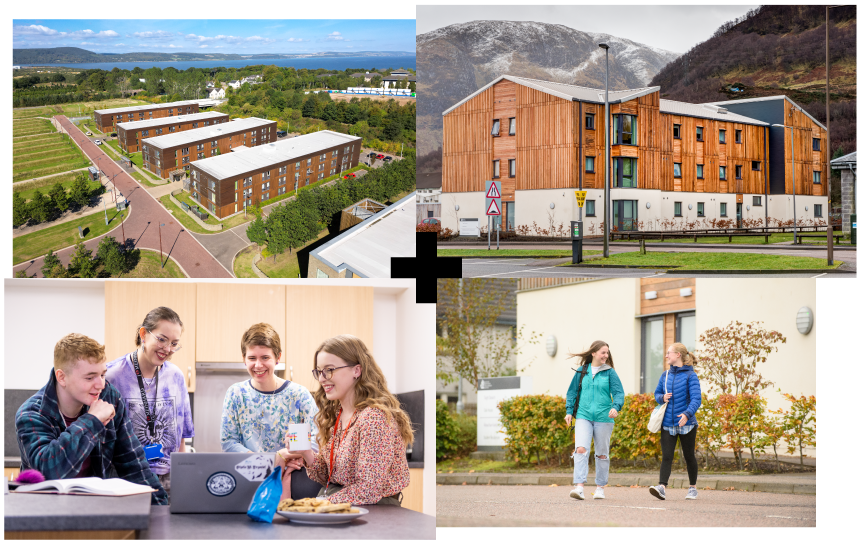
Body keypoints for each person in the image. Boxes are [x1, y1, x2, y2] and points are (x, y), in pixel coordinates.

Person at [16, 333, 168, 505]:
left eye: (102, 375)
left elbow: (133, 464)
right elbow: (51, 471)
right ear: (62, 377)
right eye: (90, 377)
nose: (100, 384)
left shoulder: (109, 397)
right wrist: (92, 420)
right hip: (44, 513)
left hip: (93, 509)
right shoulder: (31, 414)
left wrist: (162, 509)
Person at [277, 334, 413, 506]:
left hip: (374, 512)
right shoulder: (339, 415)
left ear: (357, 370)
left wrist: (317, 505)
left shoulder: (374, 418)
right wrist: (306, 453)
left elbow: (368, 490)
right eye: (319, 371)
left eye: (329, 369)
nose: (321, 378)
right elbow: (328, 476)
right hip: (346, 505)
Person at [104, 306, 194, 503]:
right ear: (143, 334)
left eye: (174, 343)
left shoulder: (176, 376)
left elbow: (181, 438)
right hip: (126, 478)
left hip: (169, 479)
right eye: (161, 339)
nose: (167, 349)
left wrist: (184, 478)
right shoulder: (112, 376)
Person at [220, 323, 319, 500]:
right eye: (252, 358)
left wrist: (286, 456)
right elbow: (229, 443)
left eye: (265, 357)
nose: (258, 365)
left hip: (295, 484)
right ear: (244, 358)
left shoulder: (299, 395)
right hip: (249, 481)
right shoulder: (235, 394)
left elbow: (316, 442)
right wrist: (272, 460)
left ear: (278, 357)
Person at [564, 340, 625, 500]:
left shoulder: (610, 372)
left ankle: (600, 488)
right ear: (594, 353)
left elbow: (619, 393)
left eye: (607, 353)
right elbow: (571, 393)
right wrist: (569, 411)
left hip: (604, 417)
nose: (606, 355)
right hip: (583, 416)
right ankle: (579, 487)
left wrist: (615, 407)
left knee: (602, 454)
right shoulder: (582, 371)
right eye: (603, 352)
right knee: (581, 449)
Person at [649, 342, 702, 501]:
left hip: (687, 425)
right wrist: (661, 397)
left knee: (689, 456)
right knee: (666, 456)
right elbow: (657, 393)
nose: (666, 356)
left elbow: (696, 399)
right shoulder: (665, 375)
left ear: (678, 355)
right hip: (667, 423)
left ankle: (692, 488)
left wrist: (687, 414)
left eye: (669, 353)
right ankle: (661, 487)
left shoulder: (690, 375)